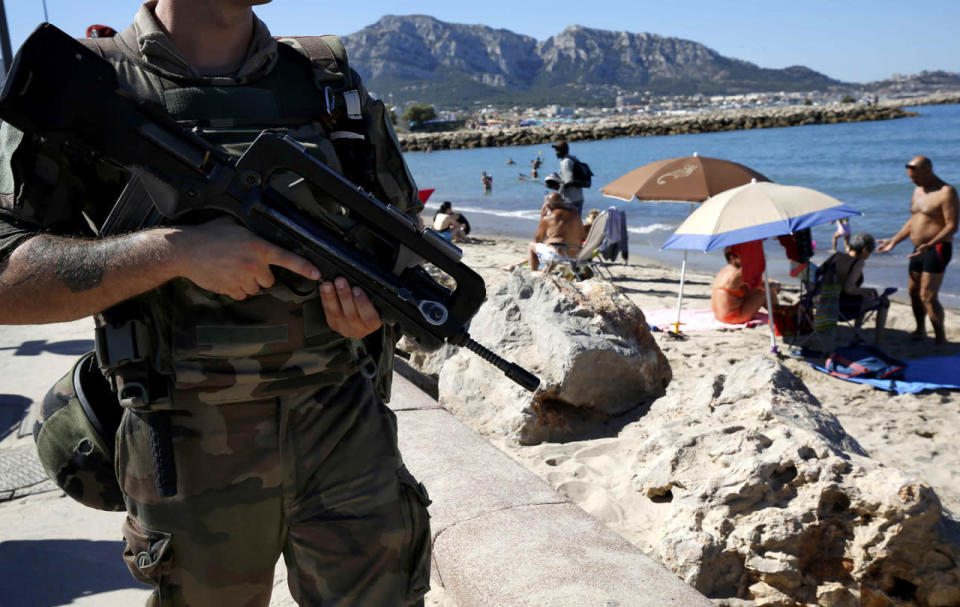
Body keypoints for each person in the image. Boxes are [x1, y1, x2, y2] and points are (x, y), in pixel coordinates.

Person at [0, 2, 431, 605]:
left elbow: (400, 236)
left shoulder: (325, 81)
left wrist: (370, 304)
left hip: (345, 429)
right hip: (182, 444)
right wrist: (175, 252)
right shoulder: (87, 80)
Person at [877, 156, 959, 344]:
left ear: (927, 170)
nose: (912, 181)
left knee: (928, 296)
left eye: (915, 177)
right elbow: (915, 220)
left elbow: (952, 226)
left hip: (937, 248)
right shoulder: (918, 189)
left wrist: (930, 244)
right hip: (918, 249)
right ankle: (920, 330)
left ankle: (940, 338)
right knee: (913, 291)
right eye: (910, 177)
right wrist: (895, 240)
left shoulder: (947, 192)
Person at [824, 233, 890, 344]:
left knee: (863, 296)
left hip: (825, 304)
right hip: (842, 309)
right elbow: (849, 289)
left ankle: (857, 332)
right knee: (884, 302)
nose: (869, 255)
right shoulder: (858, 263)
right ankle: (879, 340)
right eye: (870, 252)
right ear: (864, 250)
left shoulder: (836, 256)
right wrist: (871, 290)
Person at [502, 193, 585, 271]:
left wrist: (542, 217)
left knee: (532, 246)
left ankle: (533, 274)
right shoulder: (575, 214)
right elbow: (582, 235)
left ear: (548, 206)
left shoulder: (547, 219)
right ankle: (514, 265)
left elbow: (537, 240)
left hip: (559, 255)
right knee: (552, 249)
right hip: (577, 253)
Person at [711, 247, 778, 324]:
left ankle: (775, 312)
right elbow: (765, 285)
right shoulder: (738, 274)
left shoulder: (725, 270)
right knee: (768, 291)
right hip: (733, 318)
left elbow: (755, 282)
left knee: (755, 289)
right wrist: (776, 285)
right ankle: (778, 315)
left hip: (720, 316)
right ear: (732, 258)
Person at [552, 140, 584, 216]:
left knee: (569, 226)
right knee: (576, 224)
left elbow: (568, 181)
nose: (555, 152)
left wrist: (556, 185)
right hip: (578, 197)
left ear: (563, 151)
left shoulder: (565, 162)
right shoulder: (573, 159)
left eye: (557, 150)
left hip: (570, 200)